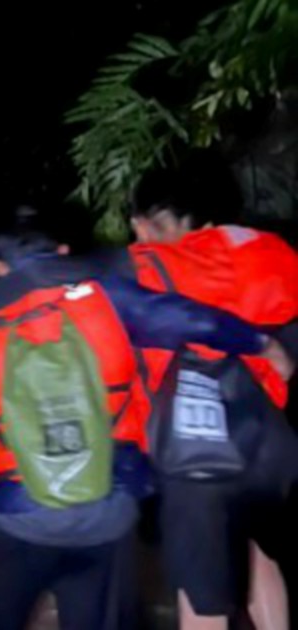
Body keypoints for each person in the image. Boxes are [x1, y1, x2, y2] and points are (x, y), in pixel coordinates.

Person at [0, 214, 289, 630]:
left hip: (20, 518)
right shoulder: (108, 299)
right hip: (108, 516)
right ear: (62, 253)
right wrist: (261, 342)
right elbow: (194, 320)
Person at [127, 165, 298, 630]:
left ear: (146, 223)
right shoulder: (271, 251)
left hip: (196, 455)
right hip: (270, 447)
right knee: (260, 560)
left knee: (202, 598)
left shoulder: (144, 267)